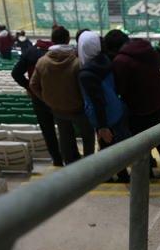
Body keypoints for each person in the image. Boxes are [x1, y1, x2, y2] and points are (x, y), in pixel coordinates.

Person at [104, 30, 160, 178]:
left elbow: (121, 89)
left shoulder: (121, 61)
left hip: (140, 108)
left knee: (141, 142)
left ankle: (146, 172)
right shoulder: (147, 50)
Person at [29, 26, 94, 166]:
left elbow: (33, 85)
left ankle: (71, 164)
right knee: (88, 136)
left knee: (65, 138)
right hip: (79, 108)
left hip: (57, 108)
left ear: (52, 41)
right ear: (68, 39)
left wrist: (46, 99)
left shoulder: (42, 62)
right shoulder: (78, 62)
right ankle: (89, 165)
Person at [78, 30, 129, 183]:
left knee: (107, 147)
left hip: (105, 117)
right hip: (117, 110)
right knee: (116, 147)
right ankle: (121, 175)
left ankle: (114, 176)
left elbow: (98, 102)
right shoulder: (106, 60)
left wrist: (102, 126)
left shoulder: (86, 73)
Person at [12, 34, 64, 167]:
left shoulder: (30, 52)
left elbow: (16, 73)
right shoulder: (59, 53)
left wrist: (29, 87)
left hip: (38, 96)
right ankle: (69, 156)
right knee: (65, 128)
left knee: (48, 131)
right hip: (58, 95)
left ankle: (57, 159)